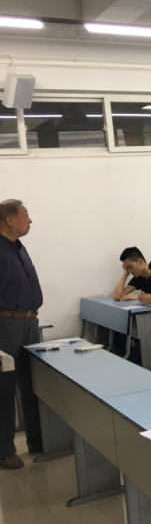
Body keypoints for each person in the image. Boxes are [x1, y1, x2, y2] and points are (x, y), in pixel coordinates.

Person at [0, 200, 42, 469]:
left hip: (29, 322)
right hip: (6, 325)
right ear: (9, 219)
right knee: (4, 387)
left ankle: (37, 439)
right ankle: (5, 449)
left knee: (33, 383)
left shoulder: (18, 247)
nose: (30, 220)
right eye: (25, 215)